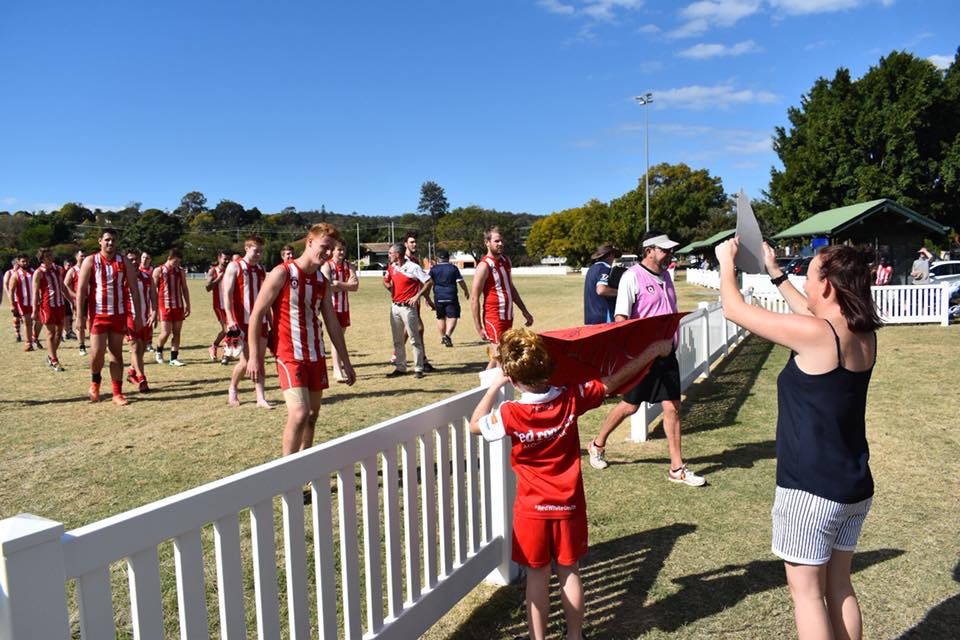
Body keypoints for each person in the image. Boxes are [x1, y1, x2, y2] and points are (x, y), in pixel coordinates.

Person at [716, 238, 880, 640]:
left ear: (826, 286)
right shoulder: (861, 333)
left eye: (808, 276)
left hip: (810, 490)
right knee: (839, 586)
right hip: (853, 484)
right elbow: (808, 311)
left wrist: (726, 262)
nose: (804, 284)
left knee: (806, 596)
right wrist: (776, 273)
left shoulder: (818, 334)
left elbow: (734, 308)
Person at [469, 328, 672, 640]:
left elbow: (474, 425)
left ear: (513, 378)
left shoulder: (511, 413)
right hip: (569, 506)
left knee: (537, 577)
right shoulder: (571, 398)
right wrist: (653, 349)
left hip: (531, 510)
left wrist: (495, 385)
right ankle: (574, 636)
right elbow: (613, 380)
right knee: (569, 571)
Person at [588, 230, 706, 487]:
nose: (670, 253)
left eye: (670, 250)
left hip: (668, 356)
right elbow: (621, 318)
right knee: (630, 406)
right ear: (649, 250)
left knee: (672, 407)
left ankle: (677, 468)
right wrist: (636, 353)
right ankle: (597, 444)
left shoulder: (666, 276)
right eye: (664, 249)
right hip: (644, 358)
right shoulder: (632, 277)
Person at [246, 223, 356, 455]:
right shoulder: (282, 273)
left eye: (331, 249)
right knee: (299, 413)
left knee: (312, 416)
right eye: (324, 247)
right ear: (309, 242)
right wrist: (254, 357)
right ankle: (288, 472)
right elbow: (256, 314)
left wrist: (345, 360)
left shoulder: (321, 281)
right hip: (289, 354)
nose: (327, 253)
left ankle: (305, 467)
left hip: (315, 354)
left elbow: (332, 323)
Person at [76, 228, 143, 405]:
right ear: (100, 241)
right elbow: (81, 290)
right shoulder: (91, 261)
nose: (110, 243)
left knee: (116, 354)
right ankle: (95, 382)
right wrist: (79, 316)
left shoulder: (124, 262)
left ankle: (117, 393)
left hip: (119, 315)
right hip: (98, 315)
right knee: (97, 354)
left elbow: (134, 289)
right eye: (107, 240)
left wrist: (137, 315)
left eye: (113, 240)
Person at [470, 226, 535, 368]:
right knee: (503, 357)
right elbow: (474, 298)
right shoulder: (484, 266)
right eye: (496, 241)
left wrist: (524, 310)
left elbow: (510, 288)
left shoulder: (506, 261)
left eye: (501, 241)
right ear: (487, 243)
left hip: (508, 315)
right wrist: (478, 326)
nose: (500, 244)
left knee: (498, 355)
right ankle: (498, 389)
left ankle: (484, 387)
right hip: (494, 317)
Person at [222, 235, 272, 408]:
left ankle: (261, 397)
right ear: (247, 248)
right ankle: (233, 389)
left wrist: (270, 319)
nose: (258, 254)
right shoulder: (234, 267)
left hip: (261, 320)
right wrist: (229, 319)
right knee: (245, 361)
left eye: (261, 251)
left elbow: (266, 297)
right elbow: (226, 295)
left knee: (259, 359)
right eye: (255, 250)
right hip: (241, 321)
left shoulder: (260, 269)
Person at [383, 243, 431, 378]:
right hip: (395, 307)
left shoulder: (413, 267)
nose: (389, 255)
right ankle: (400, 367)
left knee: (414, 339)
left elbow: (428, 281)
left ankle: (419, 368)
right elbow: (386, 280)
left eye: (390, 253)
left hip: (408, 308)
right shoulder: (392, 267)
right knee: (397, 339)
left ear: (397, 254)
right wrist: (390, 288)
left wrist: (417, 296)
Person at [320, 239, 359, 382]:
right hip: (332, 307)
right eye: (339, 249)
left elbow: (355, 286)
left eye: (343, 249)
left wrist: (338, 283)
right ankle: (337, 370)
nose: (341, 252)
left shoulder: (349, 266)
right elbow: (328, 285)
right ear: (333, 251)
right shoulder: (327, 265)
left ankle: (339, 368)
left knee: (340, 338)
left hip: (344, 306)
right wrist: (346, 284)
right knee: (337, 339)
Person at [123, 248, 156, 392]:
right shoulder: (122, 278)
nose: (134, 262)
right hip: (129, 317)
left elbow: (153, 296)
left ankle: (131, 372)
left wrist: (154, 312)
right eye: (130, 259)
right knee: (135, 347)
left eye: (135, 259)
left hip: (145, 318)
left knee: (141, 349)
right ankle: (142, 378)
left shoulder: (147, 277)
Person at [152, 249, 190, 366]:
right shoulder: (159, 270)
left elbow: (184, 288)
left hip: (178, 305)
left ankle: (174, 358)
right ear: (169, 258)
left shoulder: (180, 271)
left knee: (177, 332)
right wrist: (153, 308)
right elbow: (153, 290)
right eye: (176, 261)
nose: (177, 264)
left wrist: (188, 304)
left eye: (179, 262)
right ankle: (159, 350)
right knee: (166, 332)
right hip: (164, 305)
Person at [31, 248, 67, 370]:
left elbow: (63, 287)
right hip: (48, 305)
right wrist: (34, 310)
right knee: (51, 333)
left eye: (51, 255)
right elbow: (35, 292)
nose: (50, 257)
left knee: (59, 332)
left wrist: (72, 301)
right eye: (47, 256)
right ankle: (54, 360)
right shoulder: (39, 272)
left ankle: (50, 356)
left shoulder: (58, 269)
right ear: (42, 258)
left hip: (60, 304)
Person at [426, 248, 469, 346]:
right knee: (453, 316)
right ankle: (447, 335)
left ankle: (443, 337)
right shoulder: (453, 268)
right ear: (448, 258)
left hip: (438, 296)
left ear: (437, 258)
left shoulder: (434, 269)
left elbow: (428, 283)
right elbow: (460, 281)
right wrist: (466, 290)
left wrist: (427, 296)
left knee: (440, 317)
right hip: (451, 296)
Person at [583, 244, 621, 325]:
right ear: (610, 255)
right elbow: (601, 290)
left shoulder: (591, 268)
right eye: (614, 255)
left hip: (590, 318)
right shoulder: (604, 268)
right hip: (603, 318)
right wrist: (621, 292)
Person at [7, 254, 36, 349]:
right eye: (23, 261)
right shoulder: (15, 275)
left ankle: (34, 337)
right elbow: (11, 290)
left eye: (27, 261)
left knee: (40, 321)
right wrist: (12, 304)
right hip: (23, 303)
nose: (25, 263)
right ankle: (29, 343)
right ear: (18, 262)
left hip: (35, 302)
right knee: (28, 322)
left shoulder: (34, 272)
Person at [206, 250, 230, 364]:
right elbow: (208, 287)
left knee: (229, 329)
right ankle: (225, 353)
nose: (226, 261)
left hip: (230, 305)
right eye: (224, 258)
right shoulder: (213, 270)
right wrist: (218, 279)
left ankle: (214, 346)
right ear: (219, 258)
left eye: (228, 259)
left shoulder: (231, 269)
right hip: (219, 305)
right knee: (227, 329)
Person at [63, 250, 88, 355]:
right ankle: (82, 345)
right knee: (80, 323)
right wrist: (74, 296)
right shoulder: (73, 270)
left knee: (92, 322)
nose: (83, 257)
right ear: (76, 257)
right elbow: (65, 285)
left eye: (85, 256)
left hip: (91, 299)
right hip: (79, 301)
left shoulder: (90, 268)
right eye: (81, 256)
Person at [140, 252, 155, 352]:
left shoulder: (152, 271)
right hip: (139, 299)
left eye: (147, 258)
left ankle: (149, 342)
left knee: (149, 322)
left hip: (149, 299)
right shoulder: (136, 269)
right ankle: (136, 342)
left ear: (150, 260)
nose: (145, 259)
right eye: (143, 257)